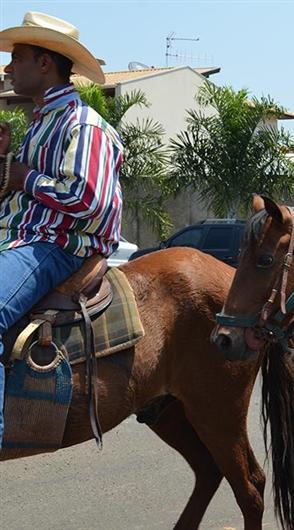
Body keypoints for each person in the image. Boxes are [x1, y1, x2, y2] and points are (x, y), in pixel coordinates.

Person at [0, 12, 124, 448]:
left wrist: (23, 177)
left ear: (44, 63)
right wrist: (6, 164)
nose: (8, 67)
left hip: (58, 247)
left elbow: (91, 200)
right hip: (24, 241)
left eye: (18, 57)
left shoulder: (83, 126)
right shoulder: (39, 125)